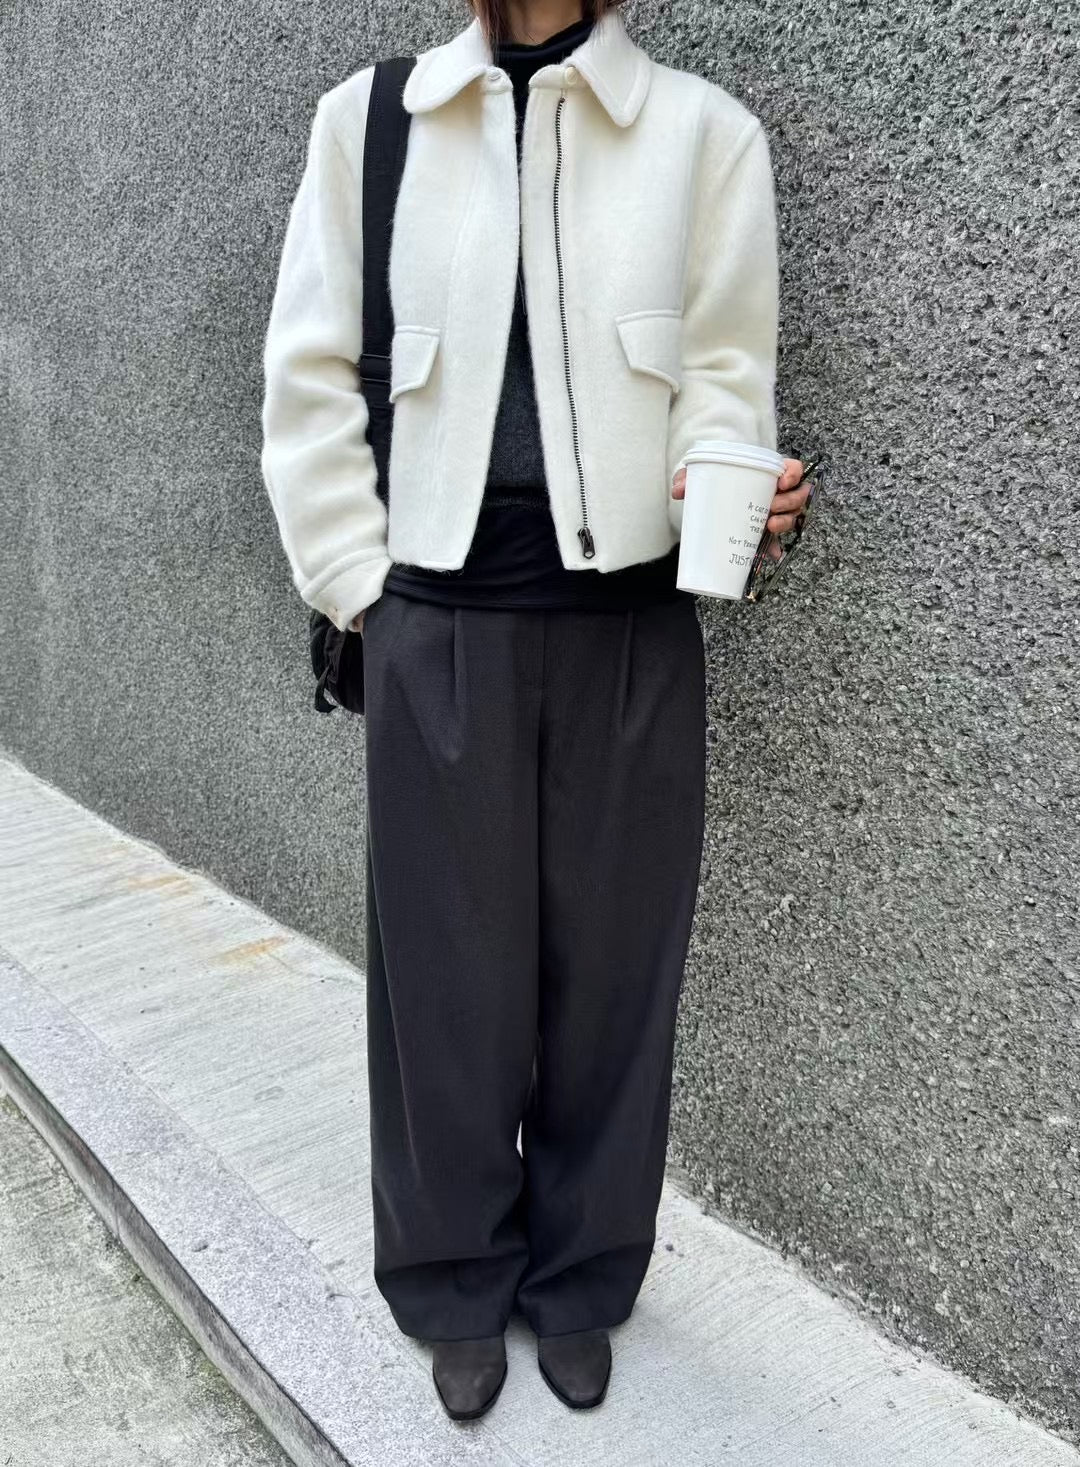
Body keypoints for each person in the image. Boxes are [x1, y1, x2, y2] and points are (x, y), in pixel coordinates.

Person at [260, 0, 809, 1422]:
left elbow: (725, 372)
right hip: (438, 622)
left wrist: (729, 487)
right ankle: (453, 1277)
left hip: (630, 628)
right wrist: (361, 590)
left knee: (616, 981)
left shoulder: (702, 135)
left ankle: (582, 1276)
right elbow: (308, 376)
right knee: (445, 985)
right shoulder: (370, 123)